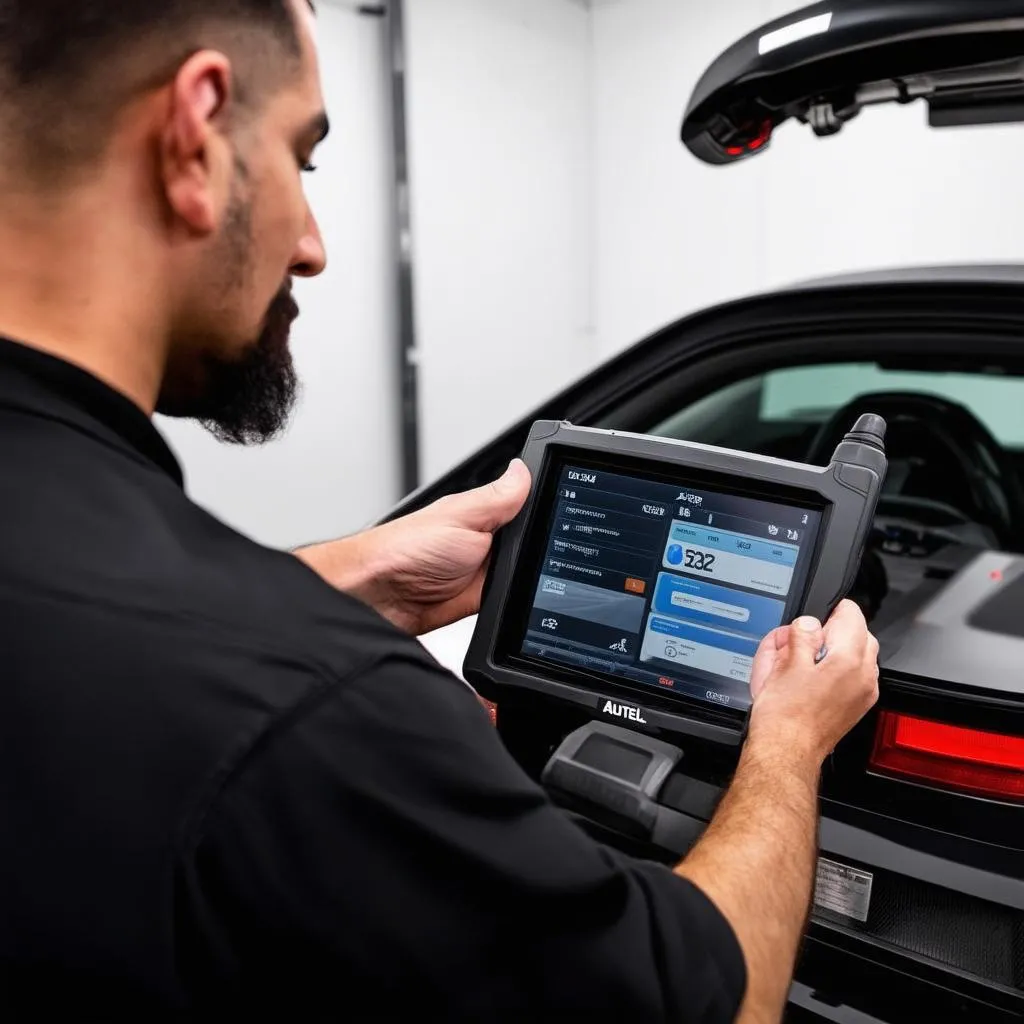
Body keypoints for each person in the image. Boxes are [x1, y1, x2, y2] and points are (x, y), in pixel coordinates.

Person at [0, 1, 879, 1020]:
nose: (316, 244)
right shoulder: (319, 709)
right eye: (304, 158)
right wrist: (786, 743)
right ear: (193, 135)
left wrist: (344, 577)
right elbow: (711, 1003)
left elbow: (99, 625)